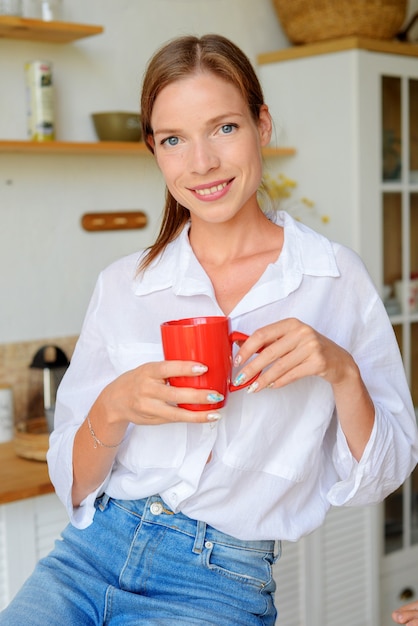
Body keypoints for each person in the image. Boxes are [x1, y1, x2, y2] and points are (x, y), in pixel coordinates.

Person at [1, 33, 417, 626]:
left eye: (224, 128)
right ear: (156, 150)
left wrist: (341, 369)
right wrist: (113, 407)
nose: (202, 163)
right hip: (87, 560)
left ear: (261, 125)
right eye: (174, 139)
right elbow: (72, 483)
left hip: (218, 581)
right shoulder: (125, 286)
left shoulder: (331, 278)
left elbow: (388, 470)